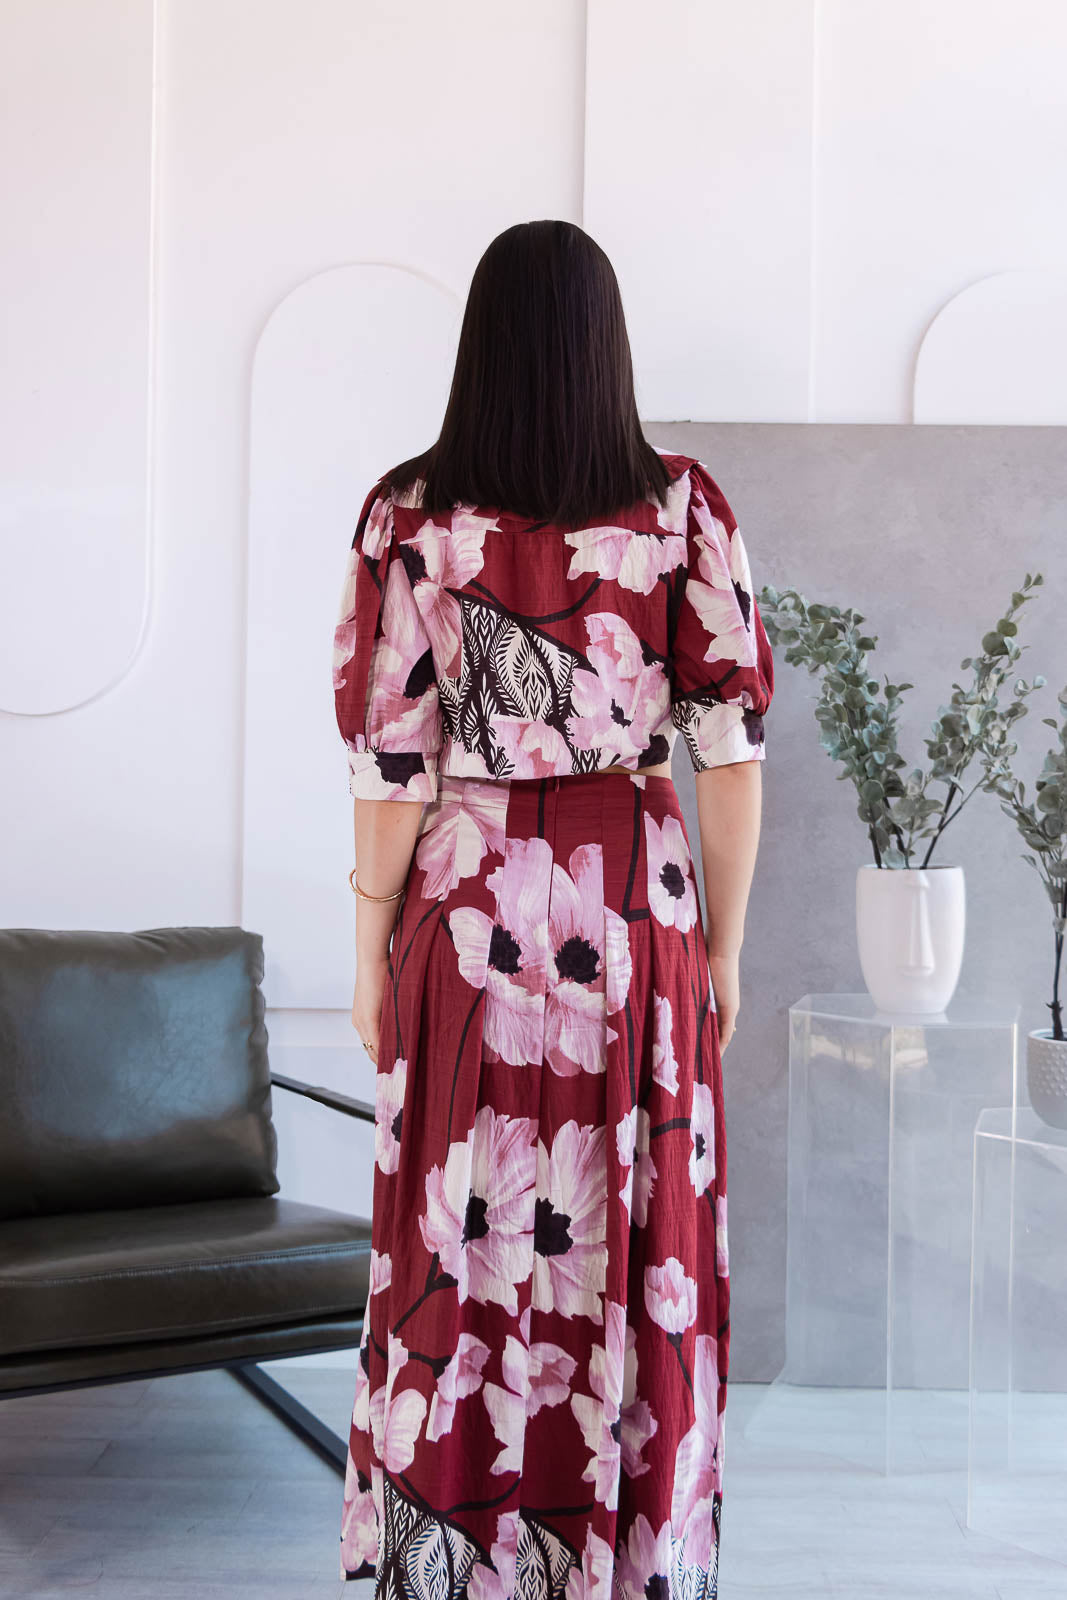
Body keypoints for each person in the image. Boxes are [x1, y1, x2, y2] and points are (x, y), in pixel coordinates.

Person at [332, 219, 773, 1600]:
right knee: (626, 1235)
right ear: (606, 346)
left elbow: (392, 765)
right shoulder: (683, 506)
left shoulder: (409, 515)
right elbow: (731, 754)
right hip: (631, 911)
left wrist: (369, 947)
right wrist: (724, 947)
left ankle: (458, 1567)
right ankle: (626, 1565)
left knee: (463, 1243)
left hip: (465, 908)